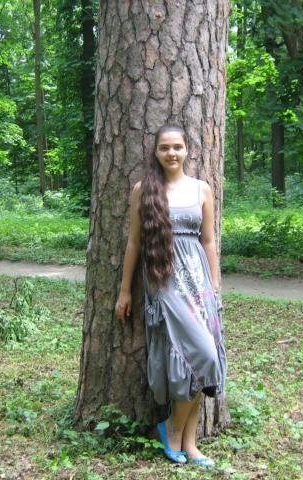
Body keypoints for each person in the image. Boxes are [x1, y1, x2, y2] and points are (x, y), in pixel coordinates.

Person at [115, 124, 227, 468]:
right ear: (156, 152)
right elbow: (134, 242)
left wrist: (214, 285)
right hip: (164, 280)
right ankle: (173, 430)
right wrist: (124, 290)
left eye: (177, 146)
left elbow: (209, 241)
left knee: (203, 360)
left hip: (199, 282)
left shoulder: (201, 189)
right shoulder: (144, 190)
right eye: (164, 147)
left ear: (187, 149)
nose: (171, 153)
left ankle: (188, 443)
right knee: (202, 354)